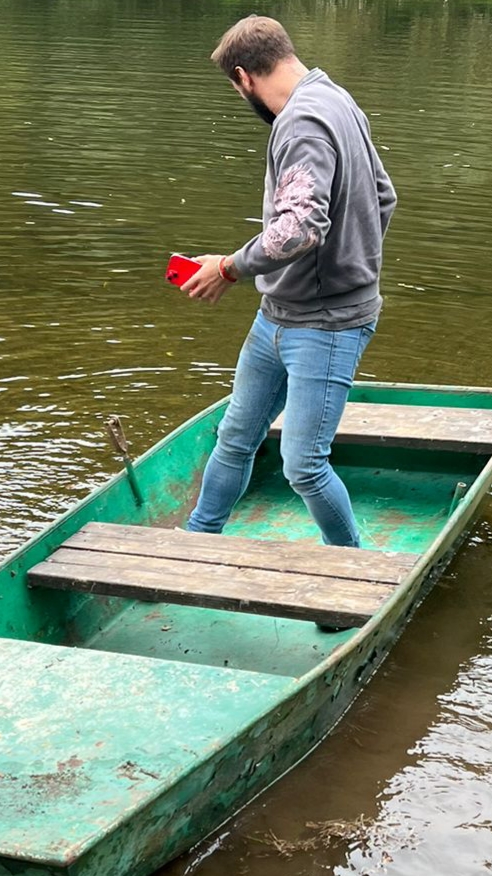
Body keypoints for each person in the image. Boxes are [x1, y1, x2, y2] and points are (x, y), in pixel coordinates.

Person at [181, 15, 396, 551]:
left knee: (304, 465)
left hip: (327, 324)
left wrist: (228, 267)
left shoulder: (300, 123)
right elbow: (384, 195)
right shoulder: (336, 98)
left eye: (236, 89)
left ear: (243, 76)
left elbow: (299, 227)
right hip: (277, 316)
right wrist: (351, 256)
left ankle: (351, 567)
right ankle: (196, 541)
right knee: (235, 438)